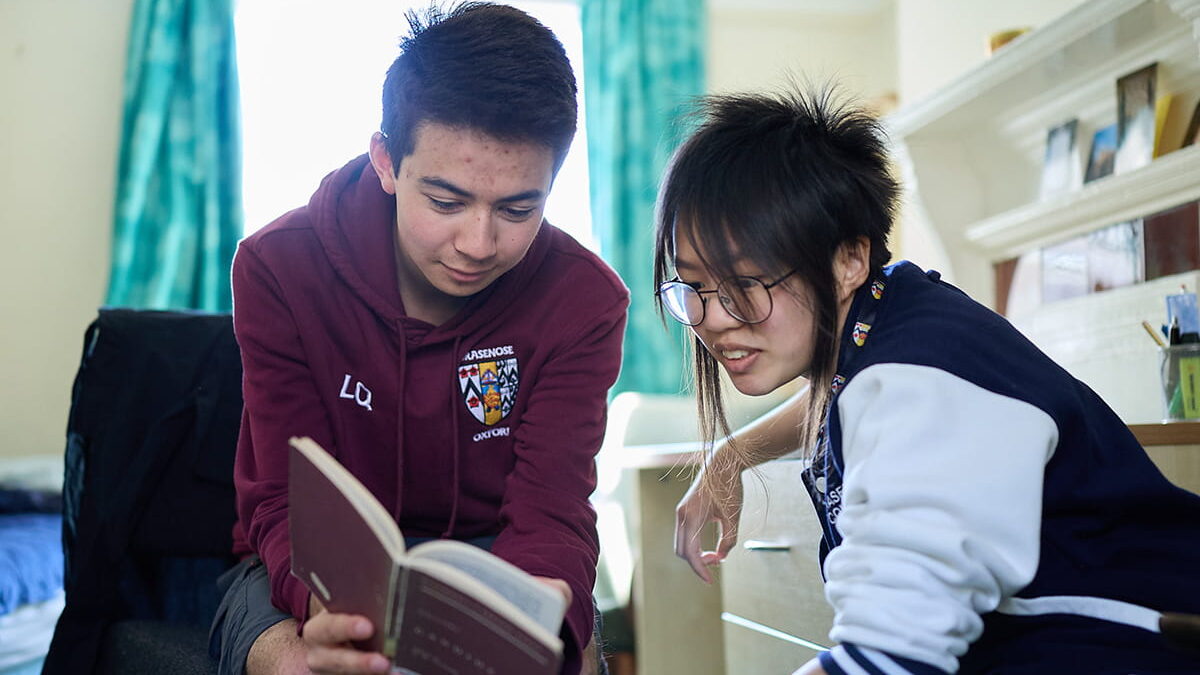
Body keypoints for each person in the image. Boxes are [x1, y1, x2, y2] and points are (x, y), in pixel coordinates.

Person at [659, 88, 1200, 674]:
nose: (713, 318)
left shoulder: (921, 379)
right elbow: (847, 393)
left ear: (848, 260)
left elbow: (889, 657)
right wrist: (733, 454)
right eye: (694, 287)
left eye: (745, 284)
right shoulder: (892, 310)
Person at [209, 4, 628, 674]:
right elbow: (283, 497)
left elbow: (552, 510)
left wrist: (538, 609)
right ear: (386, 160)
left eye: (518, 209)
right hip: (309, 565)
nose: (478, 243)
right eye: (446, 201)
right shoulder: (278, 268)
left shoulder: (586, 301)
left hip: (493, 560)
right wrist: (324, 615)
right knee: (296, 665)